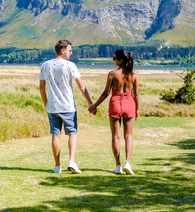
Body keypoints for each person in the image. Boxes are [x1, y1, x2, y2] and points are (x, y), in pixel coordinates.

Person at [39, 39, 95, 174]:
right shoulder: (70, 65)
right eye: (70, 50)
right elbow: (81, 86)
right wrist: (90, 103)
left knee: (55, 135)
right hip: (68, 106)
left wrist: (46, 103)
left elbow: (41, 87)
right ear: (62, 51)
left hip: (52, 107)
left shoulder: (45, 65)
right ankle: (72, 161)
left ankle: (57, 166)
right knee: (72, 133)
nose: (71, 53)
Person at [89, 49, 139, 175]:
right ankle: (127, 162)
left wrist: (94, 106)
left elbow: (106, 93)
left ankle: (118, 165)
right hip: (129, 104)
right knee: (129, 136)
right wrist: (137, 109)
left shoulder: (112, 74)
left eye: (114, 57)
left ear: (120, 60)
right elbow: (136, 94)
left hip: (115, 103)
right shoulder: (134, 74)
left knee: (115, 137)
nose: (113, 59)